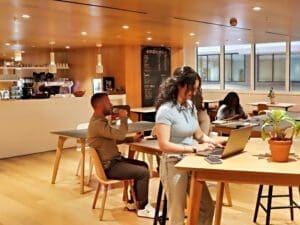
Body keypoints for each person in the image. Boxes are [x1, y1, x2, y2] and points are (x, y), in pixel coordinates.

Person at [155, 66, 225, 225]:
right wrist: (194, 148)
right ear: (180, 85)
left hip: (190, 162)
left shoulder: (190, 107)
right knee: (177, 215)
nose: (193, 92)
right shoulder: (165, 110)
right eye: (192, 88)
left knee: (206, 207)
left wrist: (214, 141)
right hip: (173, 164)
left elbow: (198, 134)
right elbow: (163, 145)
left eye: (196, 89)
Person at [87, 92, 155, 218]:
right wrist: (124, 118)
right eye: (108, 102)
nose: (111, 105)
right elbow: (119, 135)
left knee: (143, 166)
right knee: (143, 172)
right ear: (100, 105)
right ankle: (142, 207)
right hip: (110, 166)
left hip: (113, 162)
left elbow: (113, 139)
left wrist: (132, 139)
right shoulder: (98, 124)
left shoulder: (100, 122)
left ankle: (132, 202)